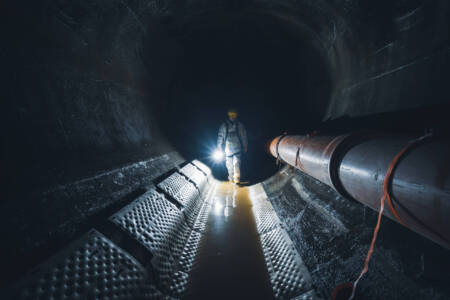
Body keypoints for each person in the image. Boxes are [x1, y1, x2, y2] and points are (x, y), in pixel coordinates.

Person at [217, 108, 248, 184]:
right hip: (228, 150)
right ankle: (231, 178)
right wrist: (219, 146)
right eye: (231, 116)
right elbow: (220, 136)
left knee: (236, 164)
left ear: (236, 116)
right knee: (229, 165)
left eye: (233, 116)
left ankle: (237, 179)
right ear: (229, 116)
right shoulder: (224, 125)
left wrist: (245, 146)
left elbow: (243, 136)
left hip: (237, 149)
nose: (232, 117)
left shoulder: (239, 125)